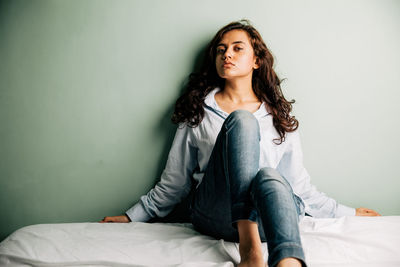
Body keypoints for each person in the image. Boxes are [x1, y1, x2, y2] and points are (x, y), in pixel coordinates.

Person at [100, 19, 381, 267]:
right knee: (242, 121)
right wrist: (132, 216)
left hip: (270, 217)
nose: (227, 55)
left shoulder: (278, 117)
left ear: (256, 60)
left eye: (237, 48)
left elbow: (299, 187)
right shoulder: (198, 111)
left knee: (271, 176)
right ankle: (250, 252)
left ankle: (288, 262)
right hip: (218, 215)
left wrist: (348, 213)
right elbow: (175, 182)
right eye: (221, 50)